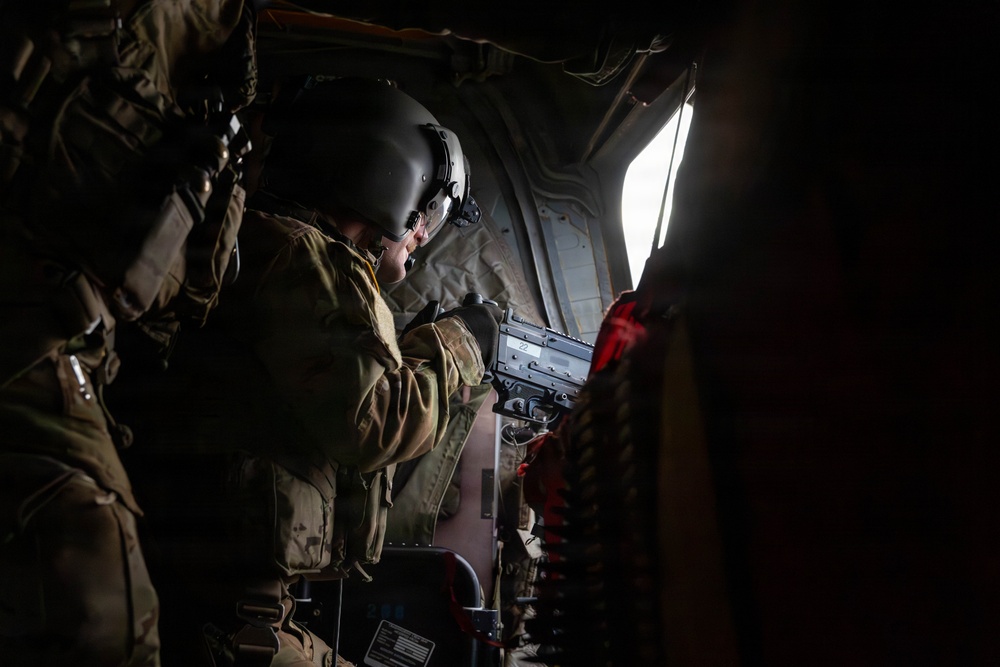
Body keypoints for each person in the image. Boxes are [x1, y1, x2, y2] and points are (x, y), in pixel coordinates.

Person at [121, 77, 501, 666]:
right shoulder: (300, 257)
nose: (423, 235)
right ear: (388, 178)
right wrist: (457, 346)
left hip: (213, 602)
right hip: (219, 619)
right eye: (426, 213)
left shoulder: (267, 243)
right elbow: (374, 424)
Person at [0, 2, 257, 665]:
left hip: (71, 335)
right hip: (33, 322)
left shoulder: (214, 71)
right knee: (104, 619)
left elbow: (181, 301)